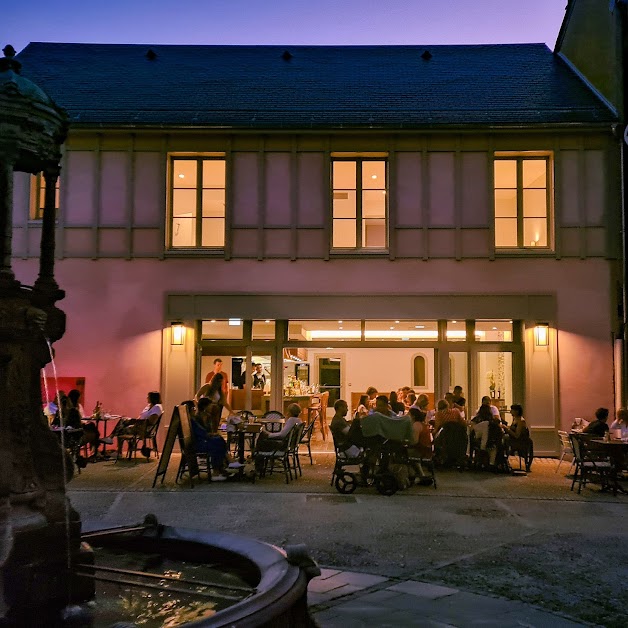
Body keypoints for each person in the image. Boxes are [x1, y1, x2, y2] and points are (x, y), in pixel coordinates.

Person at [503, 403, 533, 471]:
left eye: (512, 410)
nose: (510, 412)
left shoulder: (521, 421)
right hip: (515, 440)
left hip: (520, 442)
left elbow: (517, 435)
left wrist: (507, 429)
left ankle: (504, 460)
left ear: (517, 411)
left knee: (504, 442)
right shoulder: (515, 419)